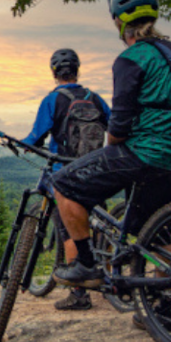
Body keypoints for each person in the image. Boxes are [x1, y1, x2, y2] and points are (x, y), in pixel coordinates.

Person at [50, 0, 171, 333]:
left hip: (145, 152)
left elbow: (118, 123)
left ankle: (85, 265)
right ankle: (163, 312)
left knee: (64, 183)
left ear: (119, 23)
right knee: (155, 229)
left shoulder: (130, 59)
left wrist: (113, 141)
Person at [22, 48, 110, 311]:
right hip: (95, 170)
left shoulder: (53, 100)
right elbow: (115, 124)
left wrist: (22, 144)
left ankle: (78, 295)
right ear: (77, 70)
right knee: (98, 222)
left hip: (66, 171)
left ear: (54, 73)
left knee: (68, 229)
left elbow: (36, 136)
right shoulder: (95, 98)